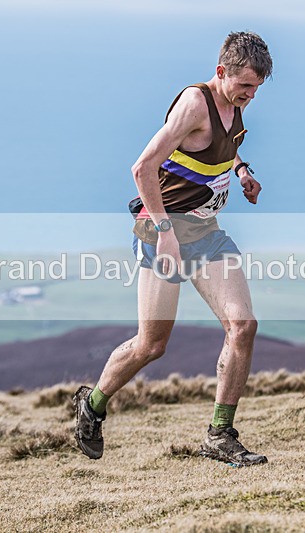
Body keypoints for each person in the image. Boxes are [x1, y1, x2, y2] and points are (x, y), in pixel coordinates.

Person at [73, 31, 272, 467]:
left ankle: (220, 435)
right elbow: (142, 168)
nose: (251, 95)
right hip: (161, 234)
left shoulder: (234, 103)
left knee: (243, 326)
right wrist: (164, 232)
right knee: (151, 345)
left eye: (257, 87)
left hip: (205, 233)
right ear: (221, 72)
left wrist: (242, 172)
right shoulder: (195, 103)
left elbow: (226, 147)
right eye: (245, 85)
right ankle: (92, 404)